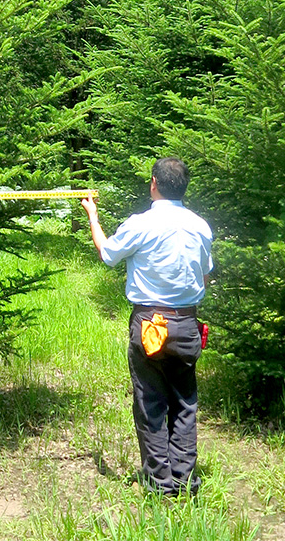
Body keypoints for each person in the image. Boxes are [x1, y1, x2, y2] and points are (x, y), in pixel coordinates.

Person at [80, 157, 212, 497]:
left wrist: (93, 217)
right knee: (184, 402)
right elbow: (206, 275)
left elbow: (108, 254)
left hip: (148, 324)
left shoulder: (141, 223)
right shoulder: (200, 226)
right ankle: (185, 481)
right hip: (186, 324)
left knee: (151, 402)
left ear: (154, 183)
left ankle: (159, 485)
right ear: (184, 187)